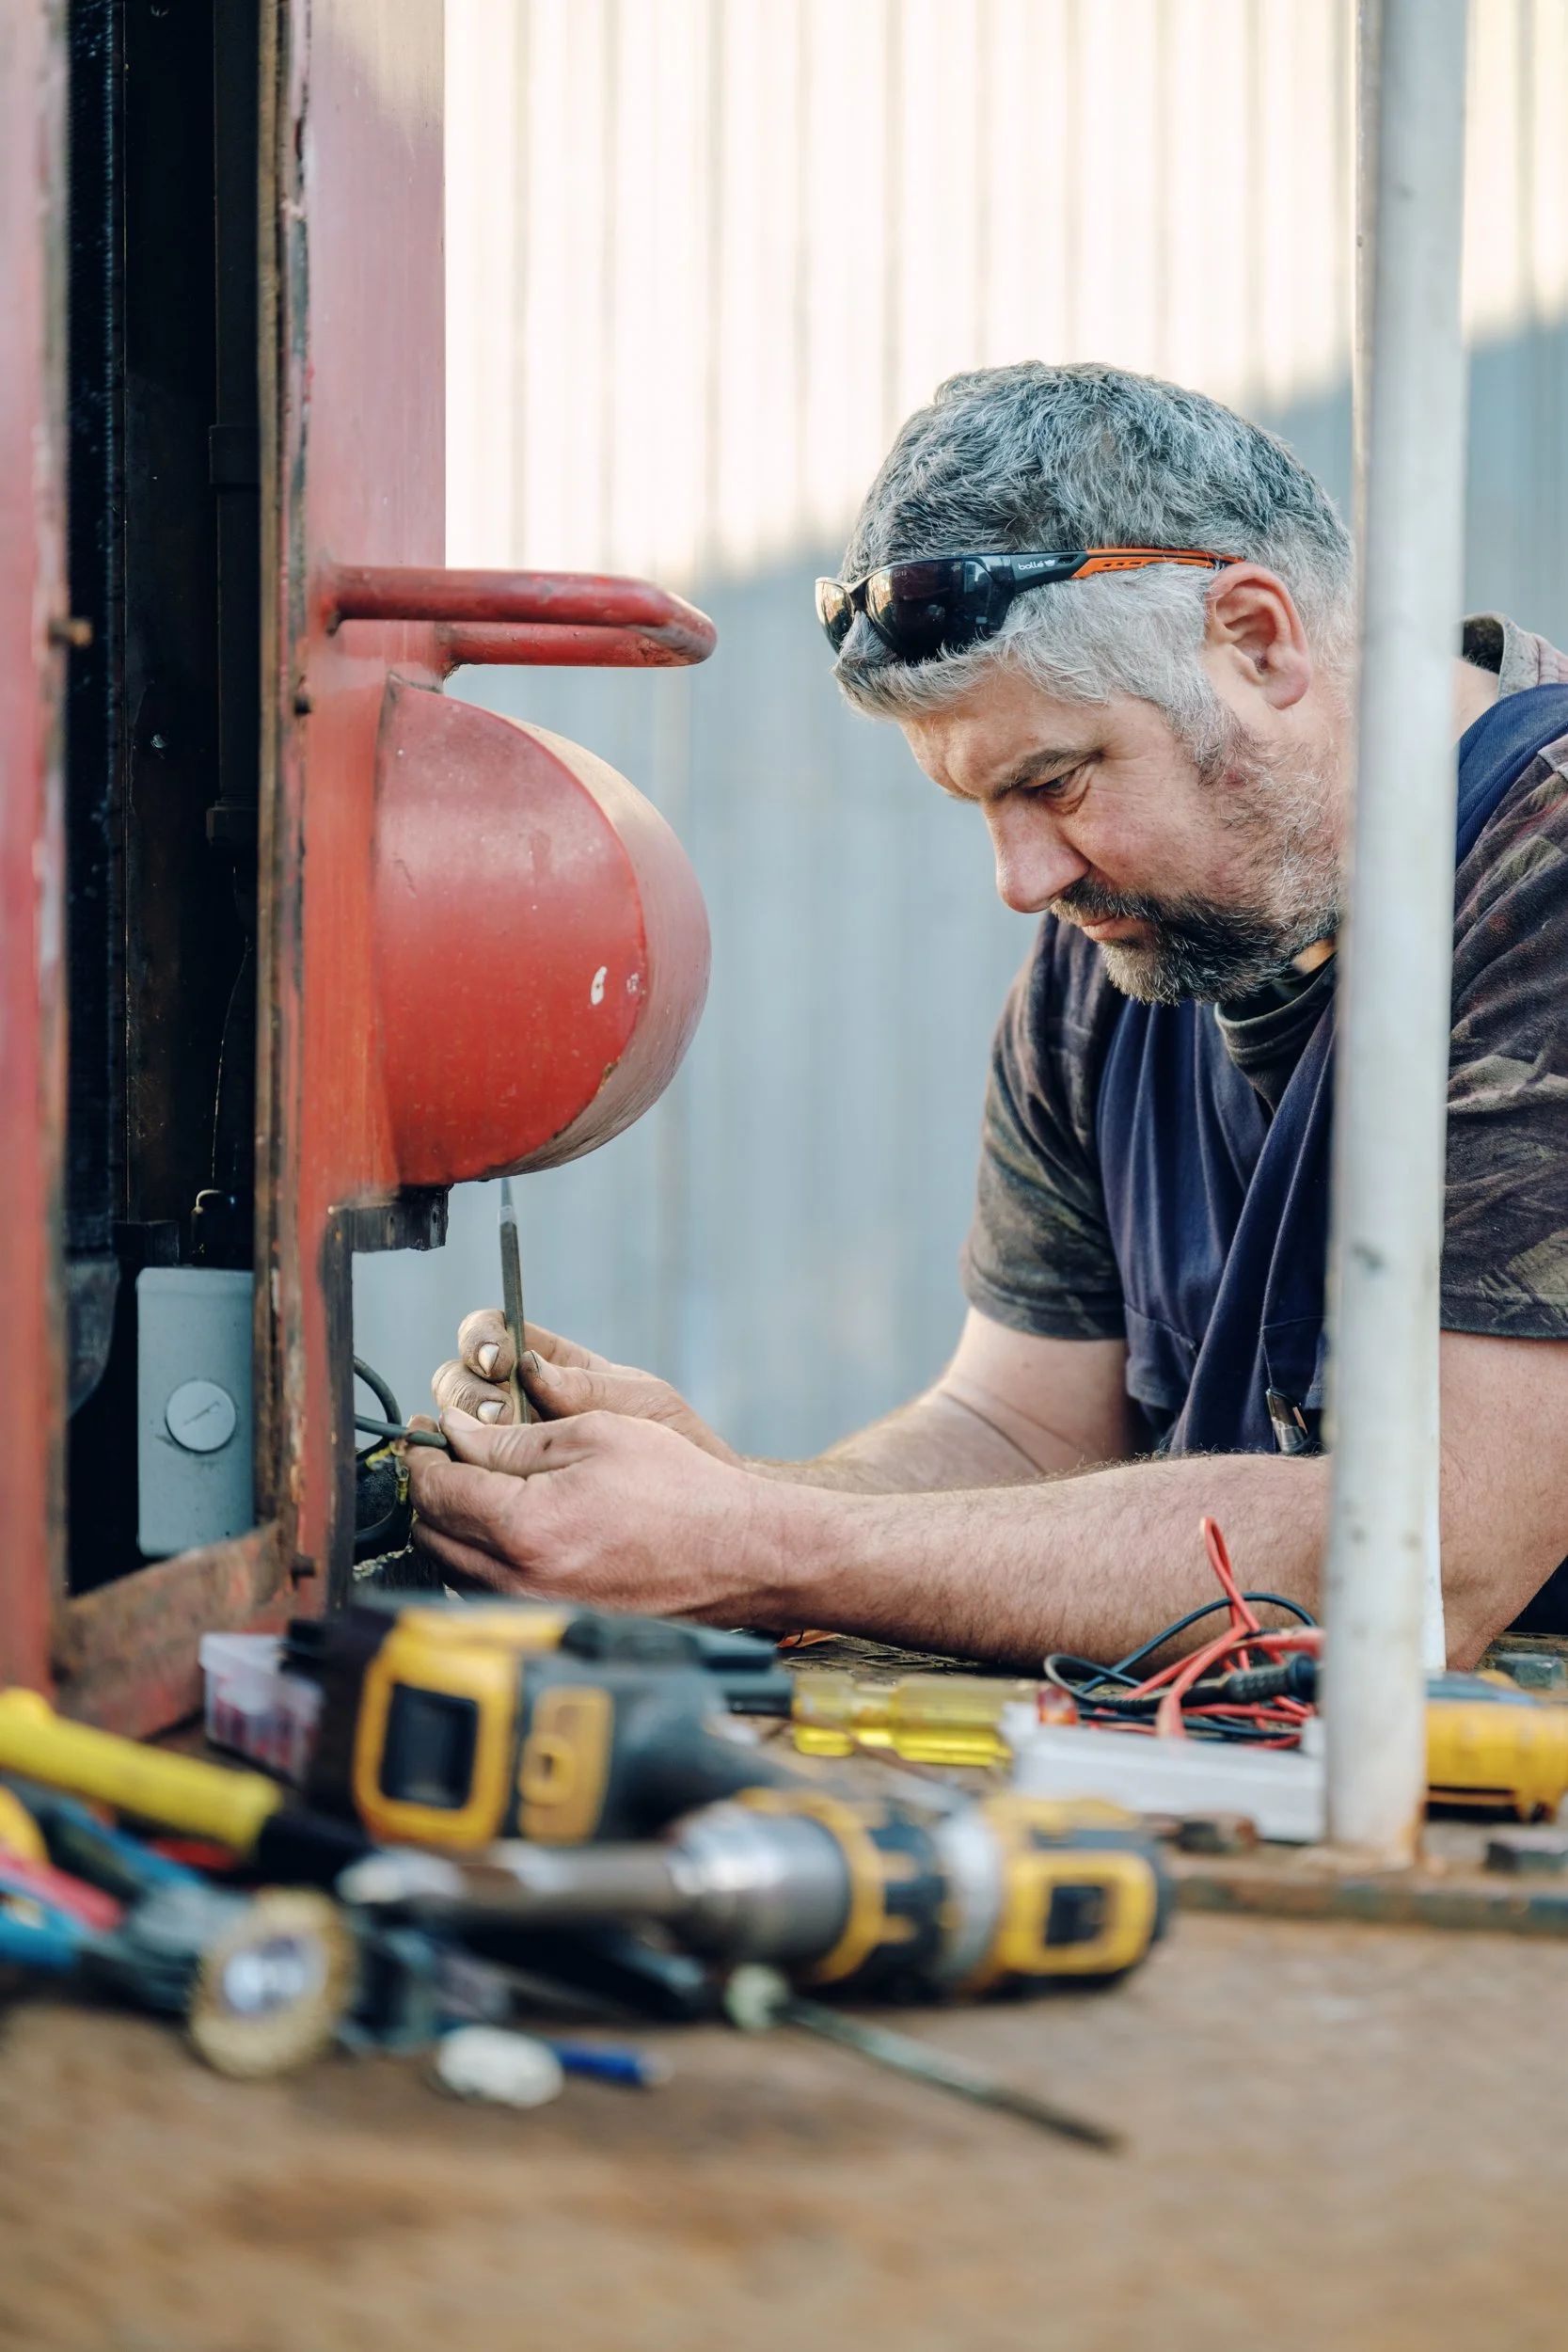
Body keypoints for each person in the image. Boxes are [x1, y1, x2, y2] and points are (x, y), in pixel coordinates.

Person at [405, 363, 1568, 1669]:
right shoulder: (1134, 947)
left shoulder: (1544, 879)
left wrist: (760, 1549)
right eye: (982, 809)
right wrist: (727, 1501)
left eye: (1056, 782)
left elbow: (1429, 1559)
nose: (1022, 882)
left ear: (1256, 641)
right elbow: (1020, 1436)